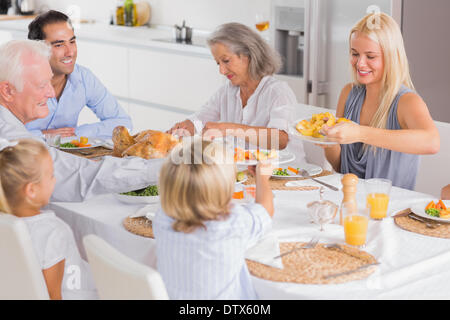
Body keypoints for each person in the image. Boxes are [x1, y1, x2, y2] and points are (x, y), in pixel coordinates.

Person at [0, 39, 163, 202]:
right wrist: (166, 168)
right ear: (7, 91)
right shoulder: (11, 141)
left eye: (50, 82)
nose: (50, 93)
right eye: (42, 85)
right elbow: (81, 176)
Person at [320, 13, 439, 190]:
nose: (360, 63)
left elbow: (432, 142)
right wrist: (327, 140)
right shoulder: (349, 93)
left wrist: (360, 133)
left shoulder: (407, 101)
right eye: (355, 54)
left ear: (391, 57)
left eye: (370, 56)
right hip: (348, 201)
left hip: (391, 210)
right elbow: (339, 167)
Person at [153, 138, 274, 299]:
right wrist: (262, 178)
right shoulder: (232, 223)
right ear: (225, 188)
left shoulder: (162, 217)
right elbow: (266, 210)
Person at [169, 23, 303, 158]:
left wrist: (229, 129)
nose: (221, 71)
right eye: (218, 63)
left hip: (288, 173)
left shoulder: (278, 92)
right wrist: (186, 127)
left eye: (226, 61)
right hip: (248, 173)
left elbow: (280, 140)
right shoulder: (227, 91)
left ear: (249, 55)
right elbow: (201, 121)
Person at [0, 138, 98, 299]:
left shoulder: (5, 224)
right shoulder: (52, 231)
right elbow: (54, 294)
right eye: (51, 175)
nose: (55, 180)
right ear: (31, 190)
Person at [25, 10, 132, 139]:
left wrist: (75, 134)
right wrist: (43, 135)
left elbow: (123, 122)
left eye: (72, 42)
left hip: (68, 156)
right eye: (59, 45)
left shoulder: (83, 78)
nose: (70, 52)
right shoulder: (17, 82)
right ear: (37, 49)